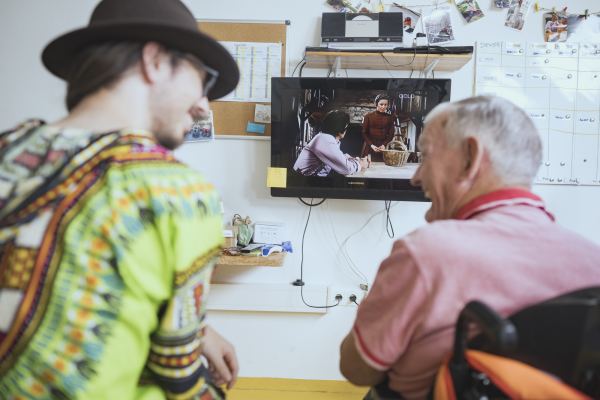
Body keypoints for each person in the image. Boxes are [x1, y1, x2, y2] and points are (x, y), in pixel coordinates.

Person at [0, 0, 241, 398]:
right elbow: (179, 379)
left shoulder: (10, 147)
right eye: (202, 80)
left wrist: (198, 328)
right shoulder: (177, 191)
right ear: (156, 61)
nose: (203, 106)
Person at [339, 96, 600, 400]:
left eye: (426, 156)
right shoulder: (591, 260)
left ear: (470, 157)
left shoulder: (426, 252)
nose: (416, 177)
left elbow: (357, 370)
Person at [294, 110, 369, 177]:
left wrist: (352, 159)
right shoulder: (324, 139)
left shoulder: (326, 138)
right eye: (346, 126)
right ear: (340, 128)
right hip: (303, 183)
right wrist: (361, 164)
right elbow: (347, 169)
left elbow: (337, 157)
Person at [361, 94, 396, 161]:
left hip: (382, 148)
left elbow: (391, 134)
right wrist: (371, 145)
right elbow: (364, 133)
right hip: (369, 146)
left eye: (386, 105)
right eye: (381, 104)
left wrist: (384, 145)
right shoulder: (368, 116)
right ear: (376, 104)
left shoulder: (390, 118)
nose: (383, 107)